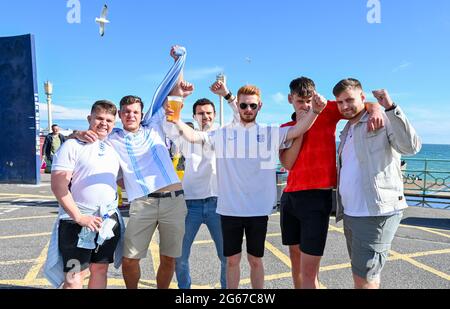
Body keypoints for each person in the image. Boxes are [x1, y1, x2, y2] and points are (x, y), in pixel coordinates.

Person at [165, 84, 327, 289]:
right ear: (238, 107)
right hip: (229, 210)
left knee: (255, 261)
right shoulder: (222, 134)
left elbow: (298, 129)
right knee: (232, 261)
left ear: (259, 106)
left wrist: (315, 111)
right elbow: (193, 136)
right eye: (243, 105)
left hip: (258, 211)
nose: (248, 110)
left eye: (252, 105)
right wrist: (177, 120)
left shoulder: (270, 132)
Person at [75, 46, 193, 289]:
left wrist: (180, 61)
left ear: (141, 114)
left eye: (135, 112)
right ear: (120, 114)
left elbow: (174, 93)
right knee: (130, 259)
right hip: (142, 203)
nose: (131, 115)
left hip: (174, 200)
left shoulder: (156, 126)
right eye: (126, 112)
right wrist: (78, 132)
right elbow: (89, 132)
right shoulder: (113, 136)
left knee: (169, 258)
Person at [279, 77, 385, 289]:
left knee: (310, 271)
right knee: (295, 261)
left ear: (316, 96)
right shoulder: (286, 127)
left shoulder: (326, 109)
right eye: (300, 101)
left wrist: (376, 110)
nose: (307, 105)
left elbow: (359, 105)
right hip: (290, 197)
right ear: (291, 99)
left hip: (317, 197)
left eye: (310, 100)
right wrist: (302, 125)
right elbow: (287, 163)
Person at [333, 78, 421, 289]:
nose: (344, 106)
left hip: (376, 213)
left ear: (363, 97)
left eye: (349, 100)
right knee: (366, 275)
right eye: (340, 102)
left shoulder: (382, 118)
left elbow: (411, 147)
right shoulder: (346, 129)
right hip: (352, 213)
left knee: (363, 279)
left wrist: (388, 107)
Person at [44, 100, 125, 289]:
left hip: (107, 219)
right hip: (76, 221)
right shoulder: (72, 145)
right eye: (99, 118)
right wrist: (79, 217)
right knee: (74, 276)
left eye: (109, 120)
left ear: (114, 123)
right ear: (89, 118)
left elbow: (120, 181)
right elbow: (58, 186)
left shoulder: (114, 149)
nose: (104, 123)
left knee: (100, 270)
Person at [165, 98, 228, 289]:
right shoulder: (186, 137)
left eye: (209, 113)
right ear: (194, 116)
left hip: (218, 203)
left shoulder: (222, 134)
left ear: (215, 115)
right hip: (190, 203)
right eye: (201, 113)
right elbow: (168, 126)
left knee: (226, 256)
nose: (205, 116)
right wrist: (178, 99)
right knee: (180, 256)